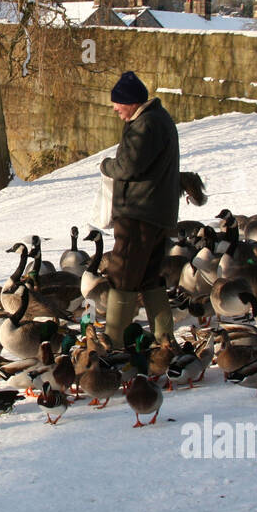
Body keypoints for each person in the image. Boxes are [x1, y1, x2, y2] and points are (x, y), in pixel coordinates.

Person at [99, 70, 179, 347]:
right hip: (156, 212)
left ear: (131, 101)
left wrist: (106, 165)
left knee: (123, 276)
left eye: (117, 104)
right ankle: (165, 340)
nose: (115, 109)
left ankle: (113, 343)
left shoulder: (146, 124)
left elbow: (128, 167)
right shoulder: (158, 119)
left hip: (139, 213)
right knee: (149, 278)